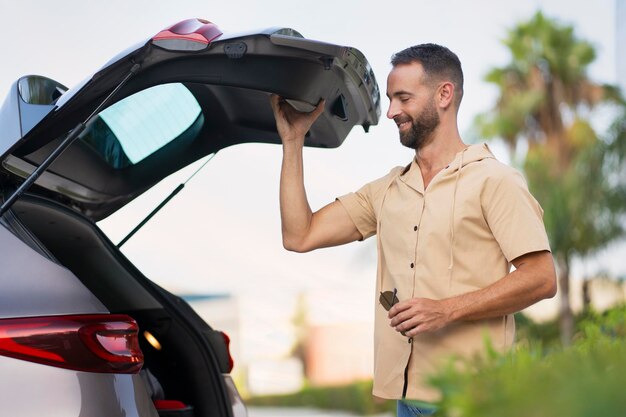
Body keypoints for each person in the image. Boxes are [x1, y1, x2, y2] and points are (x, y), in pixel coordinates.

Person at [269, 43, 557, 416]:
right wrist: (293, 141)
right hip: (407, 401)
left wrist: (447, 310)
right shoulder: (387, 190)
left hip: (473, 400)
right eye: (390, 99)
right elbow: (299, 235)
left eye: (403, 98)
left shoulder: (494, 180)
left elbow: (541, 278)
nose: (391, 112)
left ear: (444, 94)